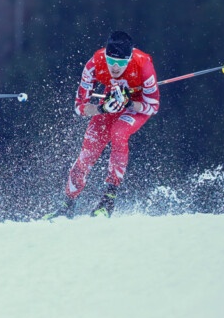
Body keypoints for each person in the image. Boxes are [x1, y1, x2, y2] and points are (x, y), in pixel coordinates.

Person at [46, 31, 160, 219]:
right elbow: (79, 107)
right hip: (110, 103)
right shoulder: (94, 64)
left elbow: (153, 106)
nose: (115, 67)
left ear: (129, 58)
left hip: (137, 105)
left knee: (119, 133)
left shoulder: (143, 65)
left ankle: (107, 201)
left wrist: (129, 104)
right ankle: (68, 205)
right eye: (111, 61)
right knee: (88, 150)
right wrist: (101, 109)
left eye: (121, 62)